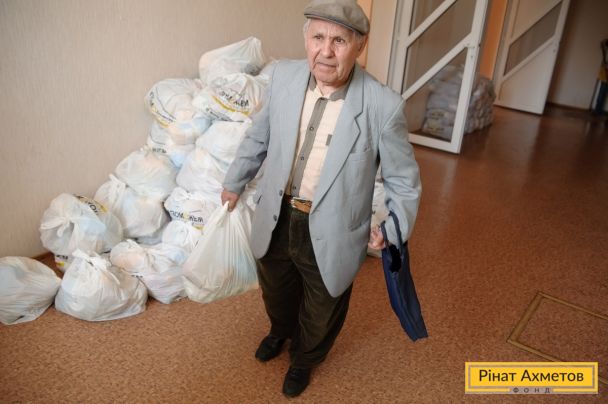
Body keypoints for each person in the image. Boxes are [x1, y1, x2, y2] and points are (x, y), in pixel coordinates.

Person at [221, 0, 421, 397]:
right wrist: (235, 181)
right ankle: (280, 331)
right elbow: (259, 135)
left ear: (359, 45)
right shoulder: (284, 76)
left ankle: (304, 359)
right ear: (306, 40)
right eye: (318, 38)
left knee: (323, 304)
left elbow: (404, 181)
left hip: (333, 226)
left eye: (339, 41)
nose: (325, 51)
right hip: (277, 214)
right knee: (276, 289)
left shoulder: (383, 105)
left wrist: (391, 228)